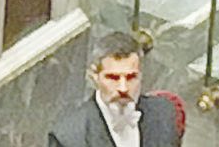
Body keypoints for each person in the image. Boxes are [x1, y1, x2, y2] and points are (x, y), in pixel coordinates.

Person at [47, 33, 182, 147]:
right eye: (113, 78)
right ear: (94, 76)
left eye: (131, 77)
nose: (123, 88)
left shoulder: (164, 113)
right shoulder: (68, 137)